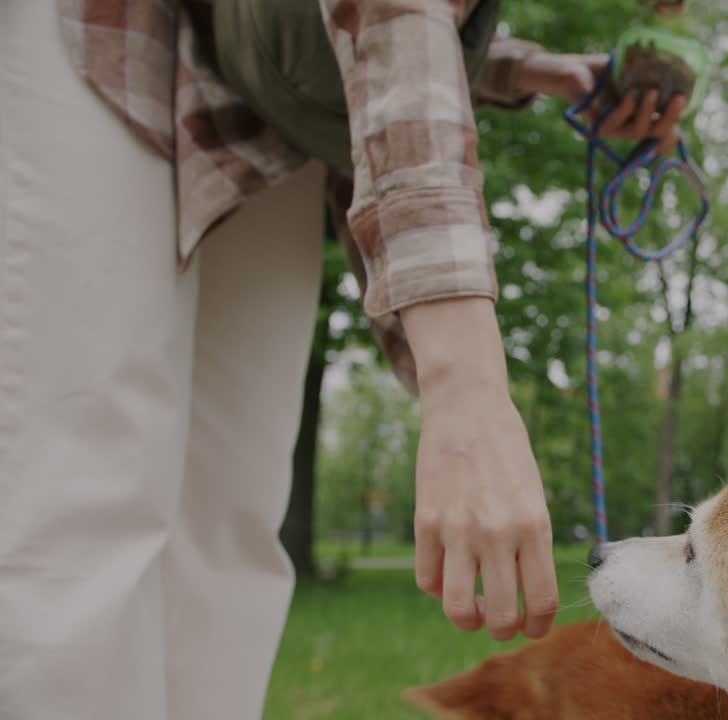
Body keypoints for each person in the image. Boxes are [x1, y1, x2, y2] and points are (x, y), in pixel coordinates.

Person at [0, 1, 684, 719]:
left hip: (266, 111)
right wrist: (466, 392)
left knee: (230, 533)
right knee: (85, 515)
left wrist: (524, 68)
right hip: (98, 31)